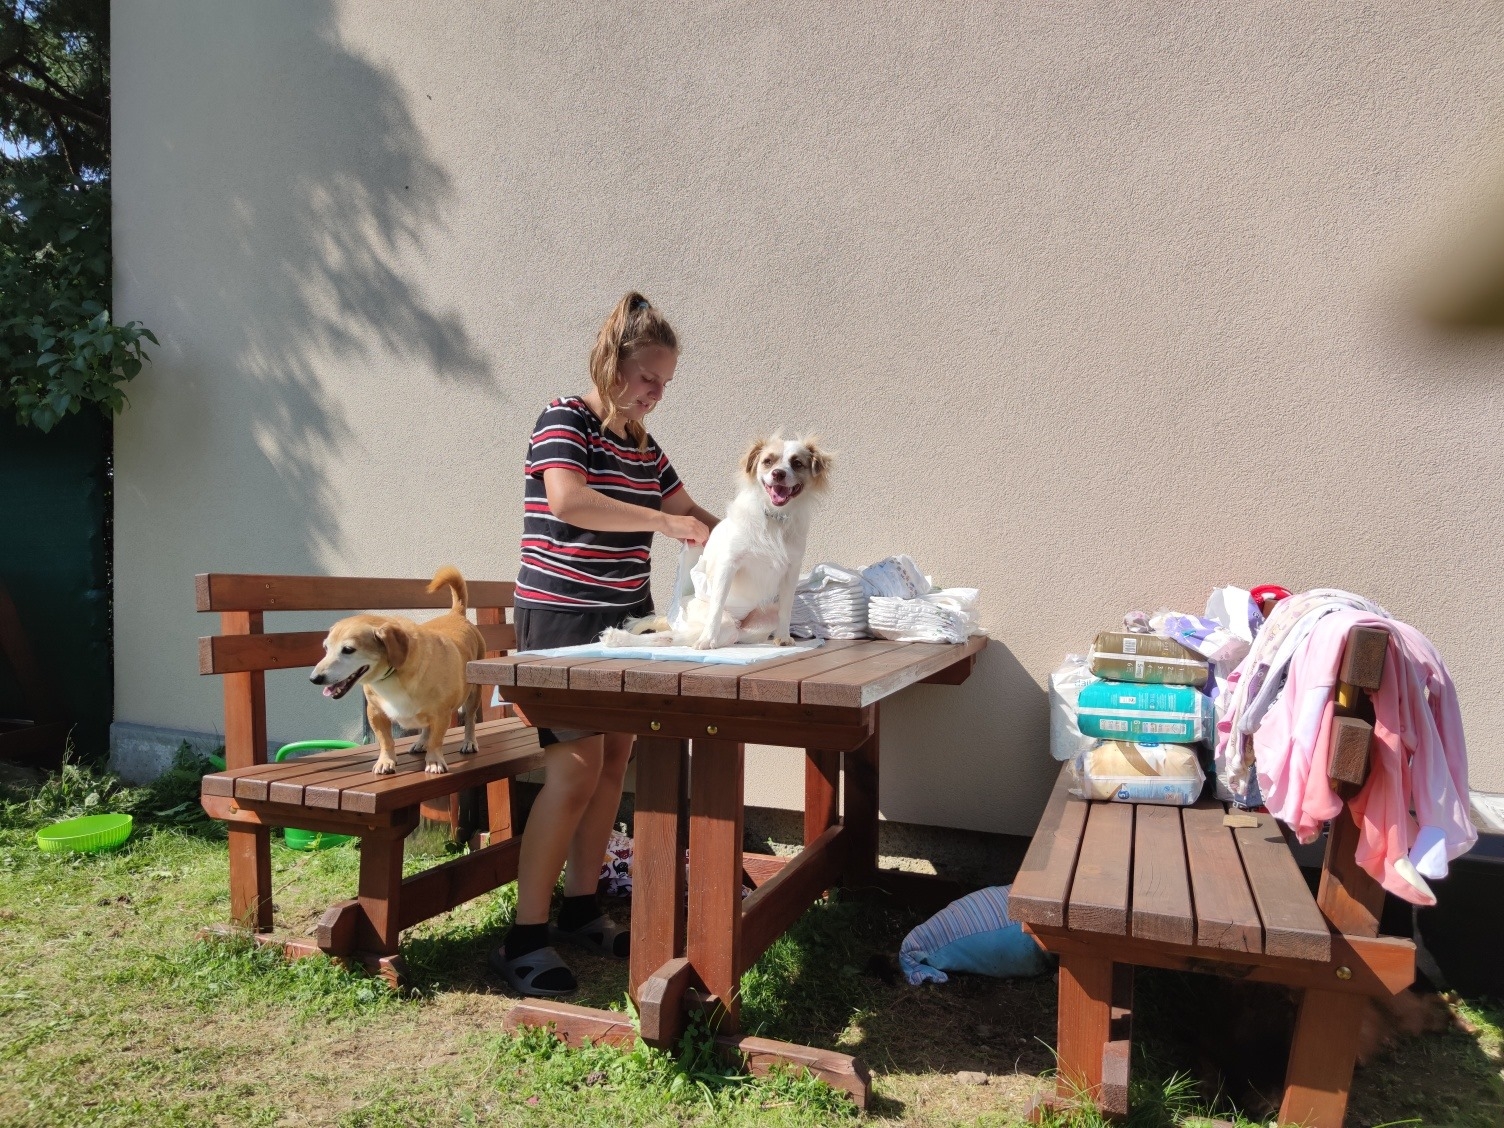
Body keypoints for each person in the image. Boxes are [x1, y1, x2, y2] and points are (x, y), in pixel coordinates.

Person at [491, 291, 718, 997]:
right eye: (648, 377)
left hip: (627, 620)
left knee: (614, 761)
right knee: (574, 771)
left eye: (665, 383)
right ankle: (524, 937)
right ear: (614, 363)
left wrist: (755, 544)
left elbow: (692, 514)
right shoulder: (565, 418)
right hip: (560, 618)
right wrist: (661, 523)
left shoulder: (645, 447)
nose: (656, 394)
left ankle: (582, 907)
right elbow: (568, 500)